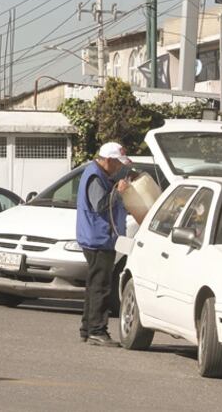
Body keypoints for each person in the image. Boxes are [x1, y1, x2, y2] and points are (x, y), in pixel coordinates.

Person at [76, 141, 132, 347]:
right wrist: (119, 191)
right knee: (100, 286)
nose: (119, 167)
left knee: (94, 285)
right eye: (117, 163)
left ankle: (87, 329)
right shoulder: (94, 176)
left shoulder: (99, 174)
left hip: (99, 237)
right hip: (98, 238)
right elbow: (100, 204)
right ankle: (97, 330)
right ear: (108, 160)